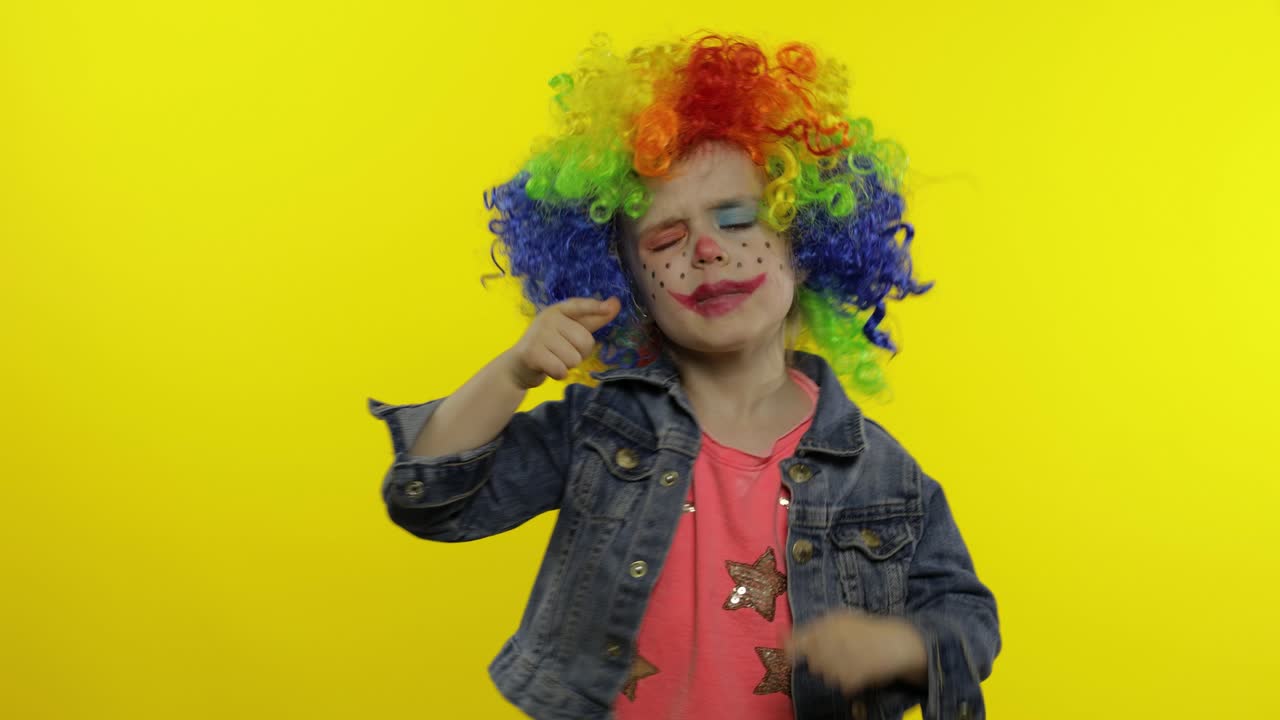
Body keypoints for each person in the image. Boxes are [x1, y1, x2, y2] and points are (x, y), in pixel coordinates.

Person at [368, 32, 1000, 720]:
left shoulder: (880, 472)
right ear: (628, 283)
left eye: (737, 220)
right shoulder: (603, 429)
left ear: (806, 242)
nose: (704, 249)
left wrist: (902, 645)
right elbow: (430, 497)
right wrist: (514, 371)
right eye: (665, 241)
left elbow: (967, 619)